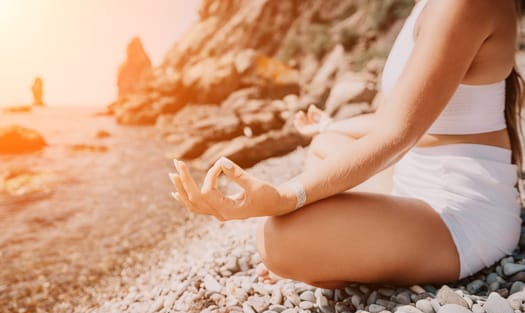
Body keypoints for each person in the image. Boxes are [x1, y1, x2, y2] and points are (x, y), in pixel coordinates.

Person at [169, 0, 524, 287]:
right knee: (327, 143)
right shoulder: (429, 5)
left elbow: (396, 134)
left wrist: (283, 196)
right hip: (415, 180)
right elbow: (403, 116)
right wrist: (331, 124)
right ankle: (341, 251)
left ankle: (339, 257)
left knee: (276, 239)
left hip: (462, 215)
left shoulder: (466, 5)